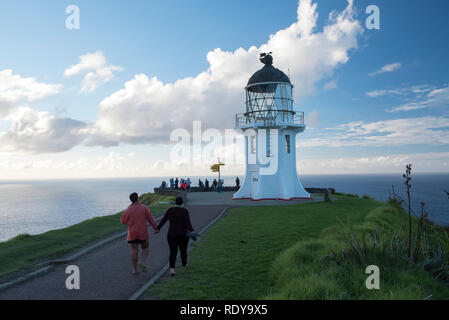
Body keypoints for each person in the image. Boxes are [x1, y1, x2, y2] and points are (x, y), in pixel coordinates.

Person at [121, 192, 159, 275]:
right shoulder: (144, 208)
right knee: (145, 248)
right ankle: (142, 262)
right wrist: (156, 228)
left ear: (130, 200)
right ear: (138, 198)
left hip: (132, 234)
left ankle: (134, 270)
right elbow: (151, 219)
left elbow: (123, 221)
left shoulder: (128, 210)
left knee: (134, 250)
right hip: (142, 233)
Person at [156, 196, 194, 276]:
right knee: (183, 250)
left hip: (172, 234)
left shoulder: (170, 210)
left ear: (175, 202)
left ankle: (172, 269)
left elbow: (163, 220)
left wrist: (158, 228)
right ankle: (184, 264)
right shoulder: (185, 211)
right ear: (182, 202)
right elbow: (188, 224)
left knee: (173, 252)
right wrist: (192, 231)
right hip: (183, 235)